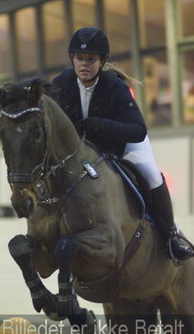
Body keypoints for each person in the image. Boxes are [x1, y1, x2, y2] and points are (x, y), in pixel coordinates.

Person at [52, 26, 194, 265]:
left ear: (102, 61)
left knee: (151, 174)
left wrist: (96, 124)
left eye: (91, 59)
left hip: (124, 145)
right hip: (85, 150)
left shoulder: (115, 86)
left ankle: (170, 236)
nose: (84, 65)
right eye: (79, 58)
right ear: (72, 59)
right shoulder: (62, 82)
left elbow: (138, 131)